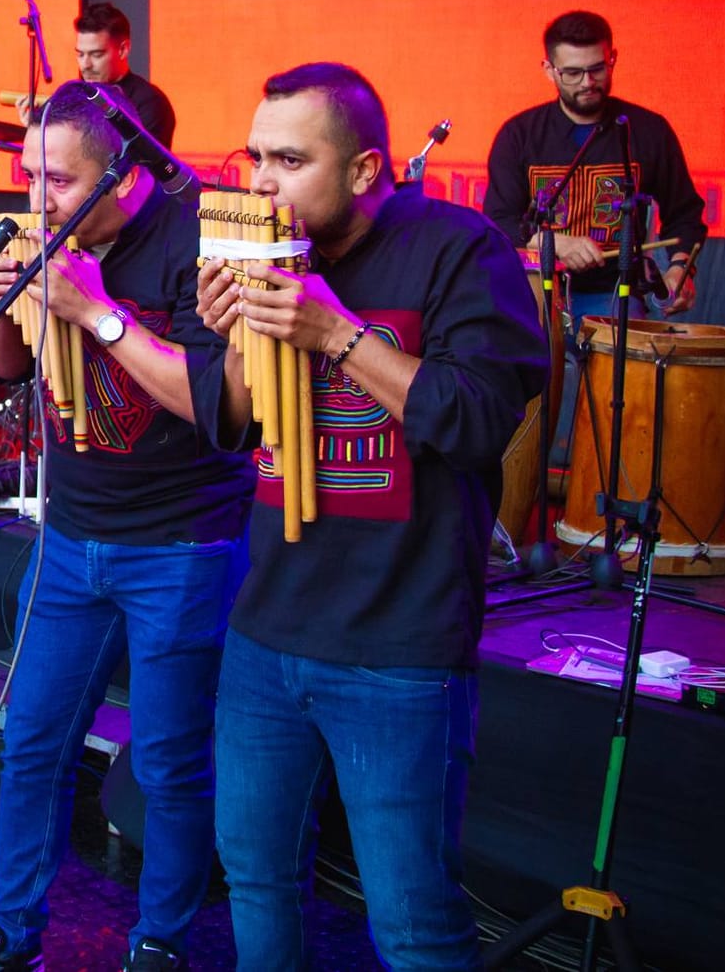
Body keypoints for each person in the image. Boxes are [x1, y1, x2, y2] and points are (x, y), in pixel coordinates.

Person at [194, 63, 547, 971]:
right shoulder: (261, 246)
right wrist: (237, 340)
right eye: (253, 156)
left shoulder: (461, 250)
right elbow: (235, 427)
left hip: (399, 648)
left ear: (363, 170)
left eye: (287, 159)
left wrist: (334, 333)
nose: (259, 181)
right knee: (257, 878)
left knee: (413, 919)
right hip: (265, 633)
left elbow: (475, 423)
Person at [0, 82, 253, 971]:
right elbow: (5, 370)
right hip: (73, 537)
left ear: (124, 178)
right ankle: (11, 926)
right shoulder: (47, 234)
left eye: (59, 181)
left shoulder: (200, 242)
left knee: (166, 760)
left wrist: (96, 312)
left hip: (183, 541)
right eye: (29, 174)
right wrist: (9, 302)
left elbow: (209, 402)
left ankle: (159, 940)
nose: (36, 198)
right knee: (32, 738)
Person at [483, 10, 707, 323]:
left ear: (612, 58)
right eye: (572, 73)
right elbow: (498, 221)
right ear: (549, 70)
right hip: (534, 290)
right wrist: (556, 244)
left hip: (615, 291)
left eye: (597, 69)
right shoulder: (519, 135)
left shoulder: (648, 130)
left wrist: (680, 268)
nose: (587, 83)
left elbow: (684, 212)